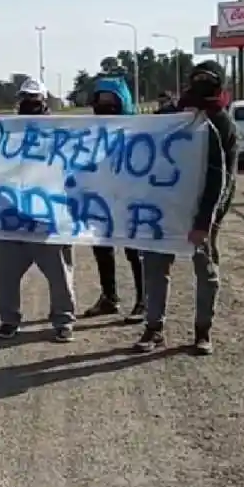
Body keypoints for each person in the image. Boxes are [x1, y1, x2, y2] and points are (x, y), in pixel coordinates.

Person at [137, 61, 239, 355]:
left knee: (206, 272)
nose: (201, 85)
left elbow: (224, 179)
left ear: (220, 85)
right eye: (197, 80)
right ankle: (154, 328)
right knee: (155, 268)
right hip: (165, 211)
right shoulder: (172, 118)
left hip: (202, 214)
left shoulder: (222, 125)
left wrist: (207, 220)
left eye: (208, 80)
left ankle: (203, 331)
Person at [0, 78, 78, 343]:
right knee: (5, 274)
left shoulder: (59, 131)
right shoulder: (8, 130)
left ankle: (63, 320)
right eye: (25, 98)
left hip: (47, 216)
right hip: (11, 216)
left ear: (43, 100)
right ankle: (8, 319)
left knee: (59, 275)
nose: (29, 103)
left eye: (34, 98)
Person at [81, 76, 146, 323]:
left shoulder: (138, 129)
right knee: (102, 250)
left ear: (123, 102)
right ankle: (109, 297)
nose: (105, 105)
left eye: (111, 101)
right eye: (101, 100)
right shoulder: (90, 131)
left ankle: (144, 299)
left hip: (131, 200)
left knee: (135, 251)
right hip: (100, 200)